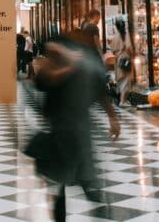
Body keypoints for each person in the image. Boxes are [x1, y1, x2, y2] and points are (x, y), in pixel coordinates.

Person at [31, 35, 120, 221]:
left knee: (83, 181)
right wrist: (68, 64)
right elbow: (42, 80)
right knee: (63, 185)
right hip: (61, 132)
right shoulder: (62, 63)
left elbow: (100, 91)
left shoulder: (82, 63)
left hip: (76, 132)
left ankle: (102, 213)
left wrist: (112, 117)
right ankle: (97, 213)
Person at [109, 16, 134, 107]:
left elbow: (112, 50)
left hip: (118, 59)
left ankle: (123, 100)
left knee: (121, 79)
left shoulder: (115, 36)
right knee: (126, 80)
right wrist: (132, 54)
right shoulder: (125, 35)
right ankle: (123, 101)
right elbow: (129, 47)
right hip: (125, 58)